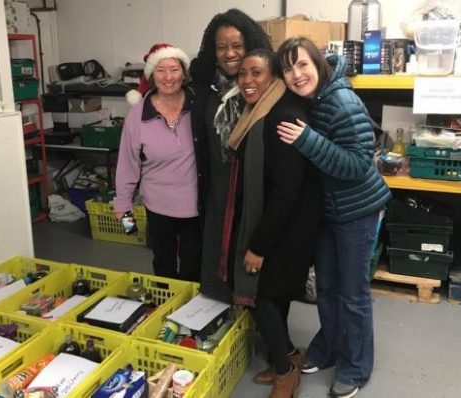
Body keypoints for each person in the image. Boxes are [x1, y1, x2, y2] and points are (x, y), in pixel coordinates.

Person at [276, 37, 392, 398]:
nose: (296, 75)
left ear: (318, 66)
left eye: (302, 65)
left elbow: (359, 164)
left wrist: (307, 140)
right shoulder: (313, 99)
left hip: (357, 209)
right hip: (329, 209)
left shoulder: (342, 101)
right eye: (288, 68)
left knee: (352, 293)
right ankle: (327, 347)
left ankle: (356, 367)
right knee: (326, 286)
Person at [232, 48, 321, 398]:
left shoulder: (281, 115)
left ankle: (287, 374)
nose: (247, 81)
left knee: (261, 296)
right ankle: (289, 355)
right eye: (242, 74)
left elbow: (286, 189)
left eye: (256, 73)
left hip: (290, 225)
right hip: (286, 221)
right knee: (277, 294)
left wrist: (258, 246)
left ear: (272, 77)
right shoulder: (260, 112)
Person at [190, 9, 271, 301]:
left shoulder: (263, 88)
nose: (230, 53)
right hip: (218, 188)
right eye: (222, 46)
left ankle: (253, 312)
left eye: (237, 45)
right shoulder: (205, 89)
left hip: (252, 190)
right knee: (216, 253)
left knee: (250, 252)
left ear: (250, 46)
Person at [115, 43, 201, 282]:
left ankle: (191, 312)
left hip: (197, 205)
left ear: (184, 73)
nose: (168, 77)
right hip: (157, 205)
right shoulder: (138, 114)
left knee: (194, 264)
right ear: (152, 75)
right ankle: (168, 309)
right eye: (161, 71)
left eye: (174, 69)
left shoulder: (200, 105)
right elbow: (127, 163)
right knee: (163, 263)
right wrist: (123, 206)